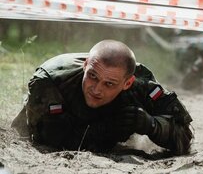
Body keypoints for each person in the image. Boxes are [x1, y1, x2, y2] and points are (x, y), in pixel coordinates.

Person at [14, 40, 193, 155]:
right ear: (85, 65)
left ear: (127, 83)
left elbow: (185, 137)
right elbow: (47, 139)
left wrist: (151, 125)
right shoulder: (52, 80)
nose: (96, 89)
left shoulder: (141, 85)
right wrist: (107, 129)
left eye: (109, 84)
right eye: (92, 76)